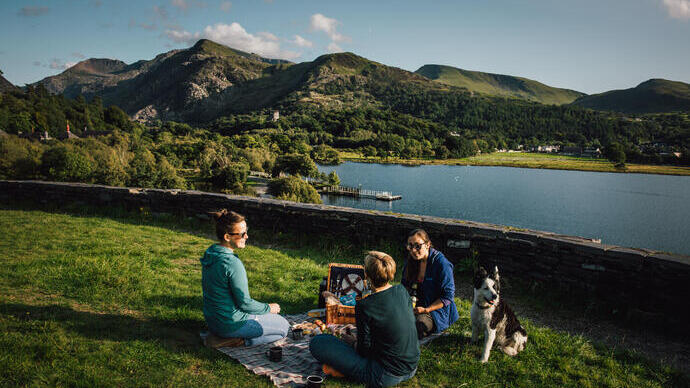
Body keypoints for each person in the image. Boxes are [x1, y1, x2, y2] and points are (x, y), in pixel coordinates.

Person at [309, 251, 419, 388]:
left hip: (383, 375)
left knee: (318, 342)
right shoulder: (402, 291)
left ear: (366, 275)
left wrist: (353, 342)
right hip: (411, 367)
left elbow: (363, 350)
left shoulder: (365, 305)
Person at [201, 209, 289, 346]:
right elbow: (245, 304)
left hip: (214, 321)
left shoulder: (211, 252)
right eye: (242, 234)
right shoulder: (231, 263)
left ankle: (221, 335)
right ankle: (235, 340)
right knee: (284, 327)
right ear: (227, 237)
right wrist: (268, 308)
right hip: (231, 324)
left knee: (272, 318)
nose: (246, 237)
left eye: (246, 232)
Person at [401, 229, 459, 339]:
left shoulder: (442, 264)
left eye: (418, 246)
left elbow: (448, 297)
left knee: (416, 327)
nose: (413, 250)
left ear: (427, 245)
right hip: (414, 306)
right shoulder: (411, 261)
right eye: (410, 246)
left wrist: (426, 309)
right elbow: (404, 286)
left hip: (434, 311)